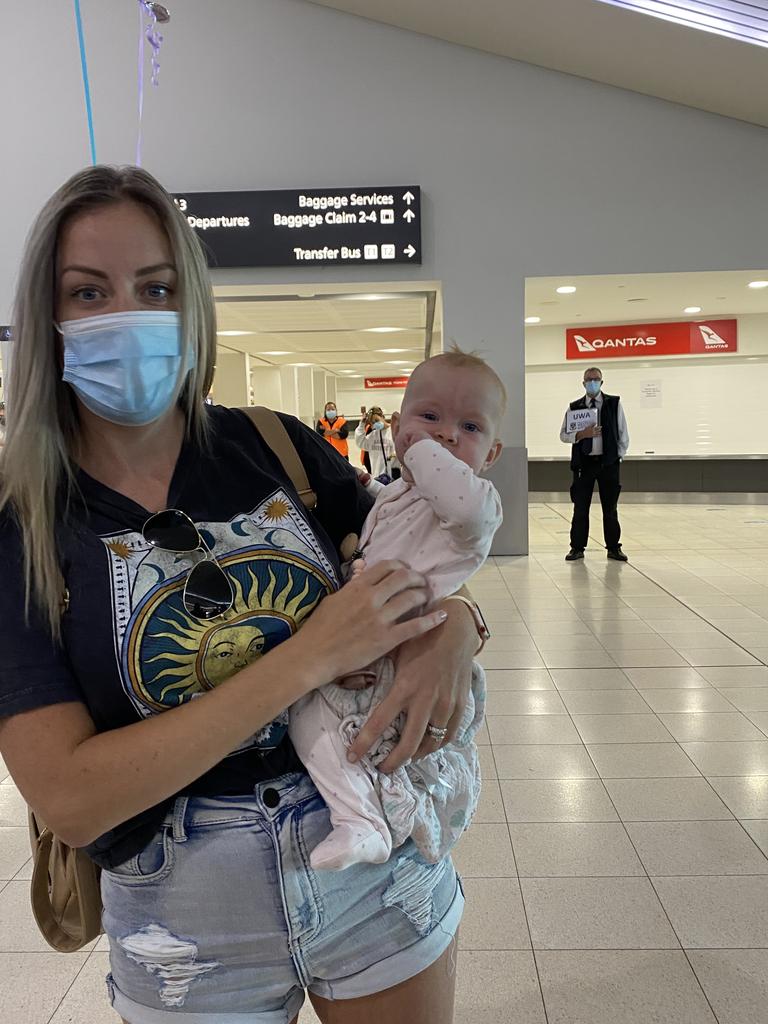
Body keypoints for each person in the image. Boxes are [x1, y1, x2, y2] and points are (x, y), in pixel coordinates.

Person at [0, 166, 485, 1024]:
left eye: (157, 286)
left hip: (370, 856)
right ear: (49, 318)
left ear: (193, 304)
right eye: (89, 291)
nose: (131, 314)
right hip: (184, 905)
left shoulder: (275, 447)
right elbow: (70, 800)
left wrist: (458, 625)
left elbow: (417, 565)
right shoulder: (24, 526)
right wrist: (308, 658)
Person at [290, 350, 503, 871]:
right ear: (397, 421)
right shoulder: (401, 496)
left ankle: (400, 817)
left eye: (469, 426)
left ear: (492, 453)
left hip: (410, 653)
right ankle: (359, 820)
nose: (448, 435)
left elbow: (455, 500)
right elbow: (385, 523)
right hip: (368, 645)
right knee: (309, 721)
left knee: (392, 748)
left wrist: (425, 448)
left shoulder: (478, 504)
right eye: (429, 417)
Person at [560, 365, 630, 562]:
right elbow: (564, 435)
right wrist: (582, 434)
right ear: (583, 383)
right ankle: (577, 547)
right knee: (580, 508)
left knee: (610, 508)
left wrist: (618, 457)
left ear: (601, 382)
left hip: (608, 464)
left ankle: (614, 548)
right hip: (584, 464)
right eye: (588, 379)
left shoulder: (613, 404)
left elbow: (623, 433)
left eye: (595, 379)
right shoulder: (575, 407)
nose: (592, 382)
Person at [355, 408, 397, 480]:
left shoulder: (394, 431)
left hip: (394, 475)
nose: (375, 424)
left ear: (382, 417)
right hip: (378, 476)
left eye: (377, 420)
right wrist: (362, 424)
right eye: (373, 423)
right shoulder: (372, 436)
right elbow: (360, 442)